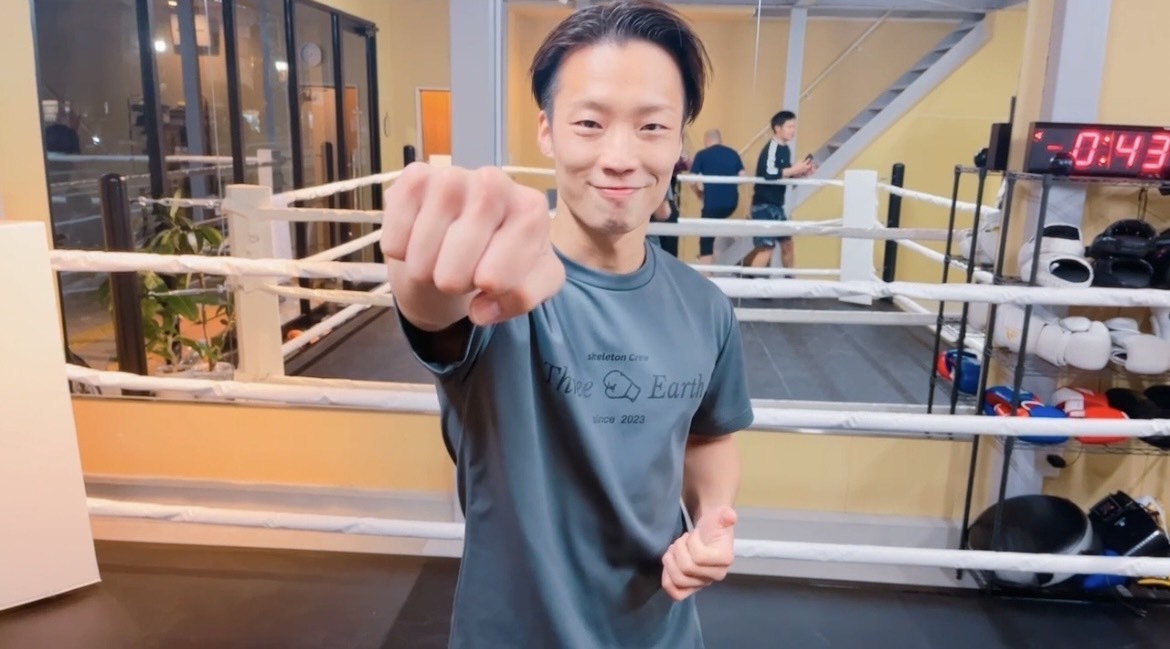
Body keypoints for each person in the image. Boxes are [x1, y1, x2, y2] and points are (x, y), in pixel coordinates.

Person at [379, 1, 753, 647]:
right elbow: (434, 306)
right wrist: (432, 252)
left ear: (679, 143)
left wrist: (711, 521)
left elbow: (707, 435)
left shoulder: (706, 306)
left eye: (652, 126)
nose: (620, 157)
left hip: (662, 633)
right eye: (589, 123)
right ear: (547, 131)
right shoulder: (498, 288)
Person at [743, 110, 815, 271]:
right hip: (763, 206)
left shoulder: (785, 149)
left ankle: (789, 281)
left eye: (794, 127)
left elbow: (784, 174)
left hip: (776, 206)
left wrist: (802, 172)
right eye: (789, 126)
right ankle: (750, 282)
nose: (793, 130)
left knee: (787, 244)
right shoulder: (772, 148)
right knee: (766, 248)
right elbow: (768, 173)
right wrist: (794, 169)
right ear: (777, 128)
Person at [688, 129, 745, 265]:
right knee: (717, 229)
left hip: (712, 204)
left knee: (706, 239)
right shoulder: (733, 153)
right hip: (732, 204)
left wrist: (698, 193)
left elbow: (691, 180)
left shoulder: (702, 155)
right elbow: (743, 177)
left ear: (706, 140)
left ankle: (706, 271)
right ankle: (716, 258)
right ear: (720, 139)